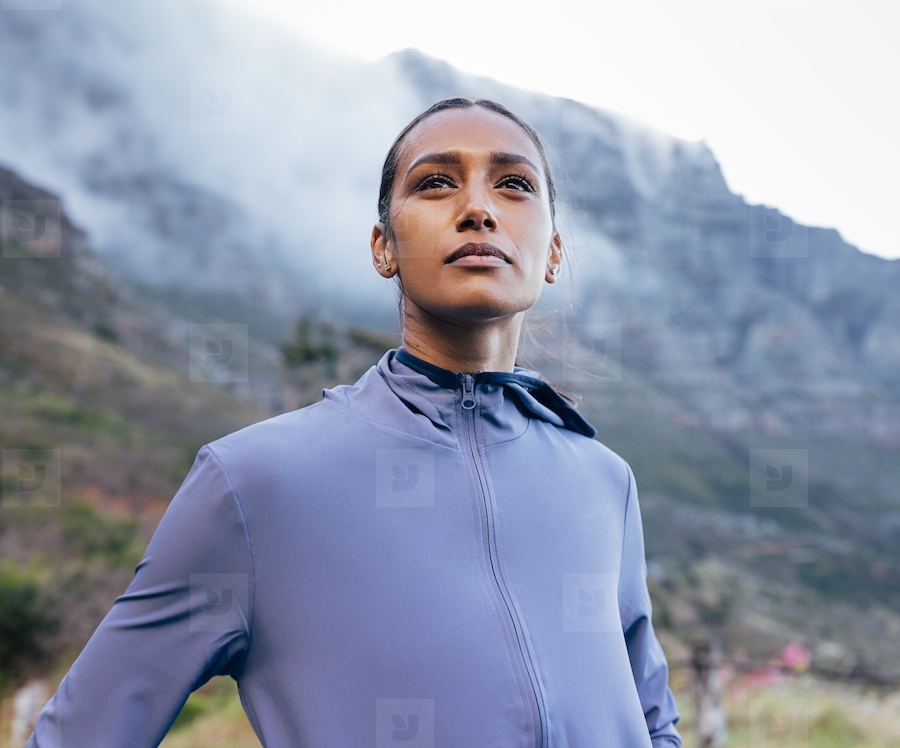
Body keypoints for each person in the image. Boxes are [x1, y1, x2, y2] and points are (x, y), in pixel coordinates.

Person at [25, 97, 683, 747]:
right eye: (435, 183)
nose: (477, 209)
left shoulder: (602, 482)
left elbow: (654, 725)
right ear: (383, 246)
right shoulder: (255, 485)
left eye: (514, 184)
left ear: (554, 253)